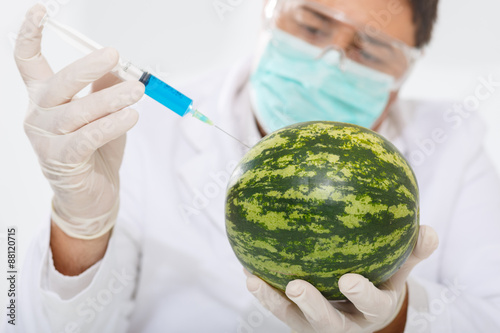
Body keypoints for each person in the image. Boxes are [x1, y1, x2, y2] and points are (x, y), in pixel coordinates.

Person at [9, 0, 500, 332]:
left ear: (406, 70)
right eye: (311, 25)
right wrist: (80, 228)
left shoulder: (454, 143)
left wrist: (396, 320)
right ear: (271, 12)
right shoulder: (142, 127)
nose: (331, 59)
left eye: (369, 48)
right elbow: (39, 324)